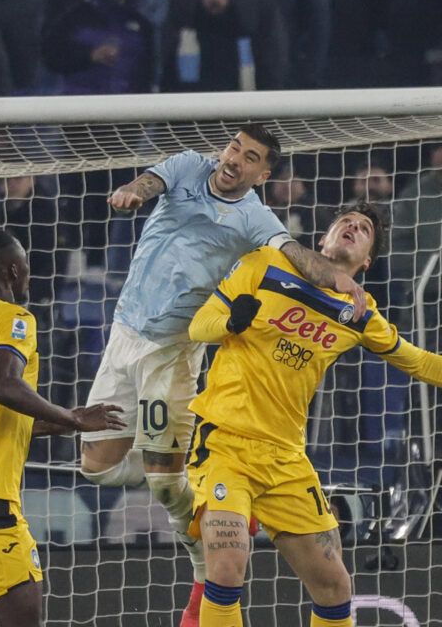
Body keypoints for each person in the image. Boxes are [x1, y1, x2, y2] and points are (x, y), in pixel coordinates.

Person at [78, 123, 367, 627]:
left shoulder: (255, 217)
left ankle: (207, 509)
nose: (234, 159)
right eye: (234, 147)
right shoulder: (191, 164)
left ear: (263, 172)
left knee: (166, 485)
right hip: (124, 331)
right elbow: (151, 181)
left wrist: (335, 275)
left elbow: (293, 253)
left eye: (249, 156)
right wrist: (131, 191)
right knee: (96, 467)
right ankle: (188, 467)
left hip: (174, 349)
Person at [184, 203, 442, 626]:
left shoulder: (360, 314)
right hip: (225, 444)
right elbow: (199, 324)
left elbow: (418, 362)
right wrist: (230, 322)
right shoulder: (266, 263)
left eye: (364, 230)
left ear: (366, 261)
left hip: (286, 459)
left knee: (334, 584)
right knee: (227, 566)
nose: (353, 228)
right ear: (323, 238)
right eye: (347, 222)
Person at [0, 226, 124, 627]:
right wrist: (72, 417)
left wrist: (63, 425)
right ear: (12, 270)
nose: (30, 272)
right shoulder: (14, 317)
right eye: (26, 264)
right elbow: (4, 386)